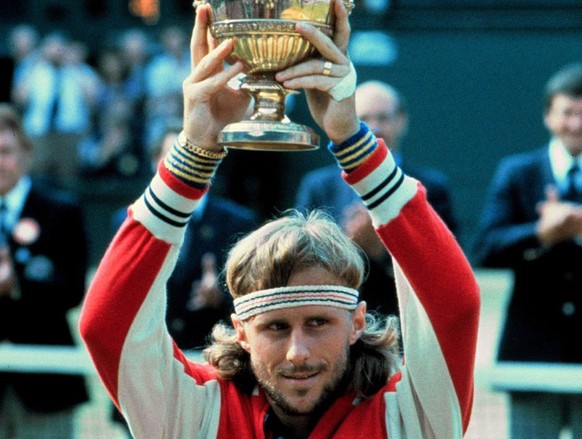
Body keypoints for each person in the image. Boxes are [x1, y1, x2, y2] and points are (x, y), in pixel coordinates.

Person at [79, 2, 480, 438]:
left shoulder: (408, 417)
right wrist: (192, 152)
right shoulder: (197, 413)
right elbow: (106, 326)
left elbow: (453, 305)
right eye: (275, 326)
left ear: (357, 323)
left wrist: (354, 141)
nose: (297, 353)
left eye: (318, 322)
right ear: (242, 332)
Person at [473, 63, 582, 439]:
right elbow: (486, 249)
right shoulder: (518, 172)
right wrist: (540, 234)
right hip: (532, 349)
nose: (576, 124)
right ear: (548, 115)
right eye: (568, 113)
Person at [0, 103, 89, 438]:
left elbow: (72, 291)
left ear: (25, 152)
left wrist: (17, 285)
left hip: (45, 386)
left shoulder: (59, 210)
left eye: (5, 151)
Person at [296, 80, 458, 235]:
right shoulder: (318, 186)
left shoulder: (432, 188)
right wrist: (349, 242)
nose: (375, 127)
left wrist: (382, 244)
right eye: (364, 118)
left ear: (401, 121)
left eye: (383, 118)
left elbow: (445, 256)